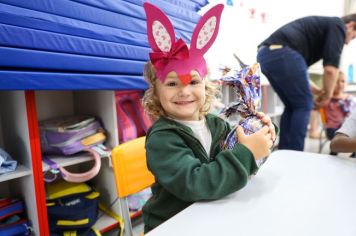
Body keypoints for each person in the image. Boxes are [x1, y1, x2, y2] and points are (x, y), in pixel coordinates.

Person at [141, 3, 276, 233]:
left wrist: (262, 132)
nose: (184, 91)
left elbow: (239, 158)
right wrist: (247, 153)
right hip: (173, 224)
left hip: (212, 214)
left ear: (206, 86)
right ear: (155, 91)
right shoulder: (162, 139)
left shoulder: (216, 124)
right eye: (172, 83)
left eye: (193, 82)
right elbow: (195, 183)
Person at [257, 14, 356, 151]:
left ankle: (285, 152)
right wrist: (327, 96)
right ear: (351, 25)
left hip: (266, 55)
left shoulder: (324, 27)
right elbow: (330, 70)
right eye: (353, 36)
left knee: (292, 105)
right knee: (304, 105)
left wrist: (317, 90)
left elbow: (297, 73)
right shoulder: (338, 26)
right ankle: (296, 154)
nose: (349, 42)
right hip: (281, 52)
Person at [323, 71, 355, 141]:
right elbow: (320, 105)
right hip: (332, 128)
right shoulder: (328, 99)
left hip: (347, 128)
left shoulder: (348, 98)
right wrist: (328, 94)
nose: (340, 84)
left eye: (343, 81)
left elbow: (352, 113)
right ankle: (334, 151)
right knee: (338, 137)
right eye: (336, 82)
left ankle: (353, 152)